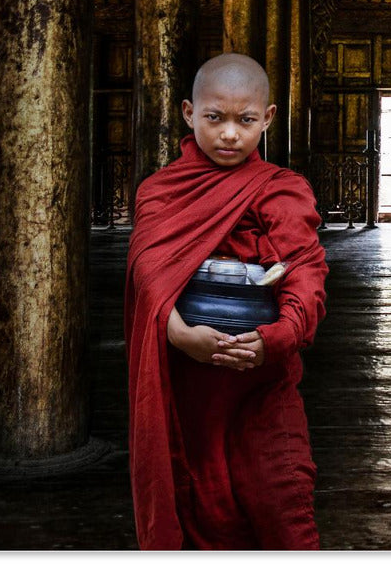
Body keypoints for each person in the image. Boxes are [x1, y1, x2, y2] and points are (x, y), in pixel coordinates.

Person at [123, 52, 328, 550]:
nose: (230, 134)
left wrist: (277, 337)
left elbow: (305, 268)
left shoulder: (281, 189)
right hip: (187, 385)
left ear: (268, 118)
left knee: (282, 499)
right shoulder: (161, 192)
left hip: (263, 382)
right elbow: (148, 276)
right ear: (189, 113)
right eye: (215, 118)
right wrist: (177, 333)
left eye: (246, 120)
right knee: (197, 504)